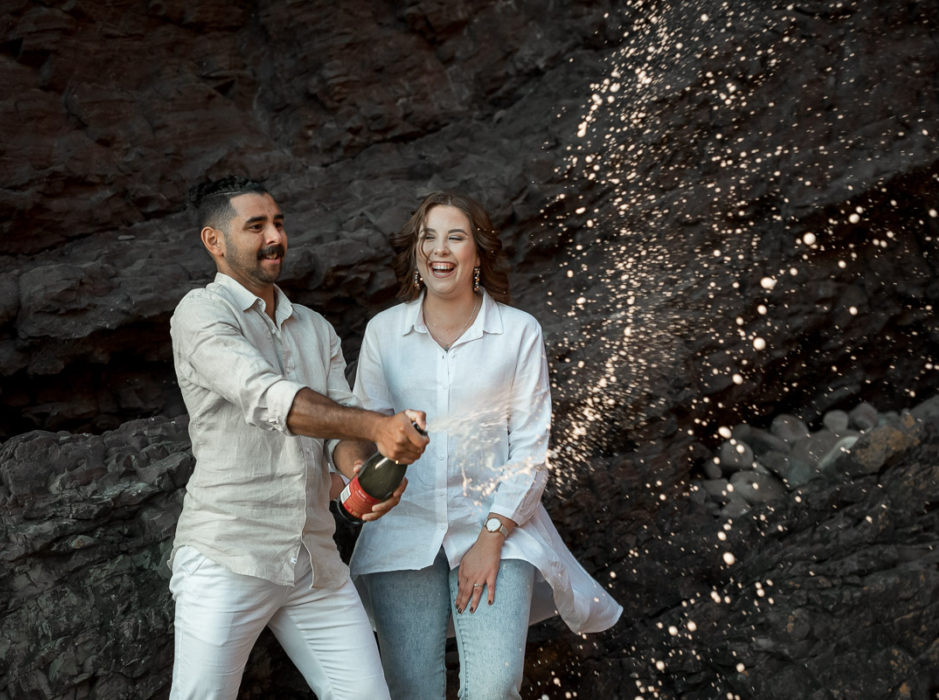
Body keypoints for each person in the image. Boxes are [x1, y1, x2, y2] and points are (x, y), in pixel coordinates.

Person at [350, 192, 622, 700]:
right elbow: (365, 434)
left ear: (478, 252)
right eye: (428, 237)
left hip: (497, 524)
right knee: (410, 690)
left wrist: (492, 537)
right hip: (401, 531)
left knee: (494, 687)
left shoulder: (519, 332)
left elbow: (531, 451)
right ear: (416, 253)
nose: (440, 248)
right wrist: (353, 481)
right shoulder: (384, 333)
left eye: (455, 236)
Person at [167, 176, 429, 700]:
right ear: (213, 242)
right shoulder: (200, 314)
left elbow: (338, 432)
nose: (274, 237)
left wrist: (362, 474)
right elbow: (268, 397)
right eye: (256, 226)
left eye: (279, 224)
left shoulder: (314, 327)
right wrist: (379, 427)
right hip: (229, 553)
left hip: (313, 560)